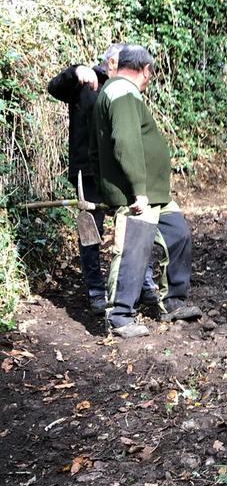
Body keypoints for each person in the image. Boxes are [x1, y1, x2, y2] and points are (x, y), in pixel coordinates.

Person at [90, 45, 201, 339]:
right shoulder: (121, 91)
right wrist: (137, 189)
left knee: (178, 235)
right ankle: (119, 317)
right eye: (151, 73)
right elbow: (125, 142)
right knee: (133, 250)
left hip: (154, 193)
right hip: (138, 193)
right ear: (145, 70)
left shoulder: (121, 92)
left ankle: (172, 304)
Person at [47, 46, 159, 314]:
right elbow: (54, 87)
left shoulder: (127, 88)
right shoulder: (86, 82)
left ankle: (144, 284)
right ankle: (96, 291)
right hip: (88, 171)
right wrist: (75, 71)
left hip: (120, 169)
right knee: (90, 229)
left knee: (136, 224)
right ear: (111, 62)